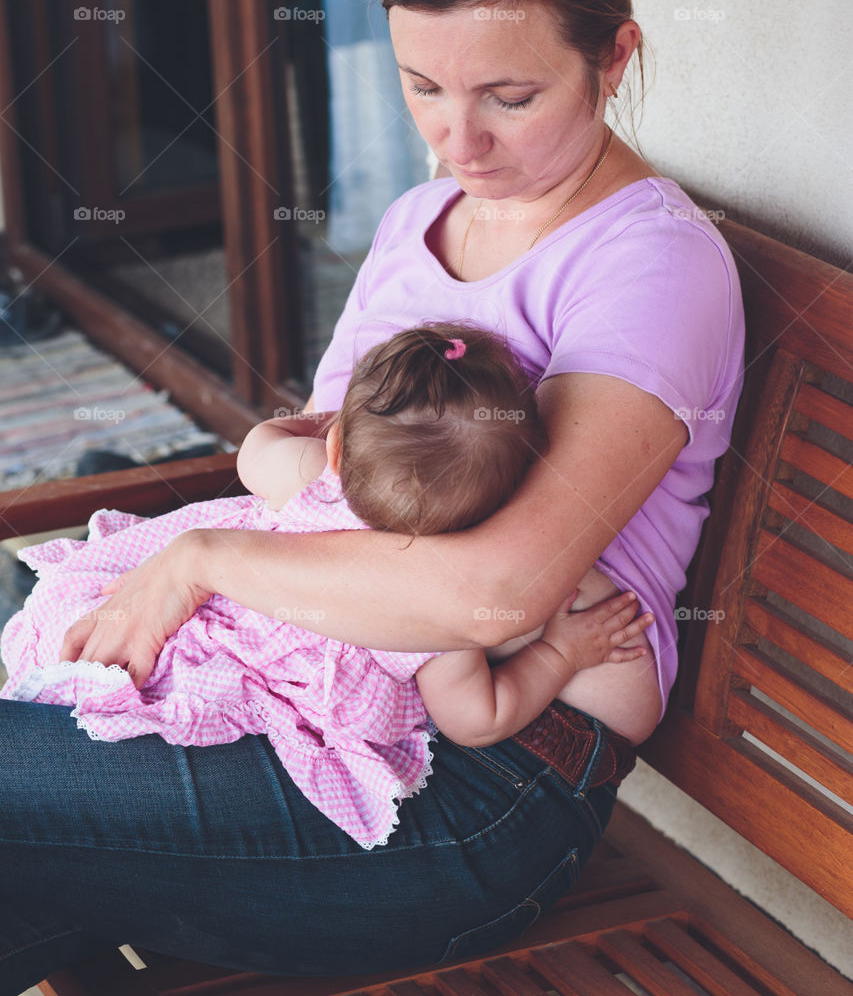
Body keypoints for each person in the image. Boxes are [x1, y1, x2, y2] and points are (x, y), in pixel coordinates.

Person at [0, 0, 745, 990]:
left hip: (467, 785)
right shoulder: (419, 221)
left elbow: (492, 586)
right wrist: (281, 475)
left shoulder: (649, 265)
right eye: (421, 89)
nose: (461, 142)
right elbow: (316, 468)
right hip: (306, 683)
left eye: (509, 94)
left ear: (612, 57)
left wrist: (200, 555)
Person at [1, 323, 652, 851]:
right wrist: (561, 652)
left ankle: (40, 674)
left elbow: (257, 447)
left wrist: (339, 432)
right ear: (506, 505)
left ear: (339, 449)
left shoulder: (314, 481)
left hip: (173, 629)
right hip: (216, 685)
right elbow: (476, 720)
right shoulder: (432, 622)